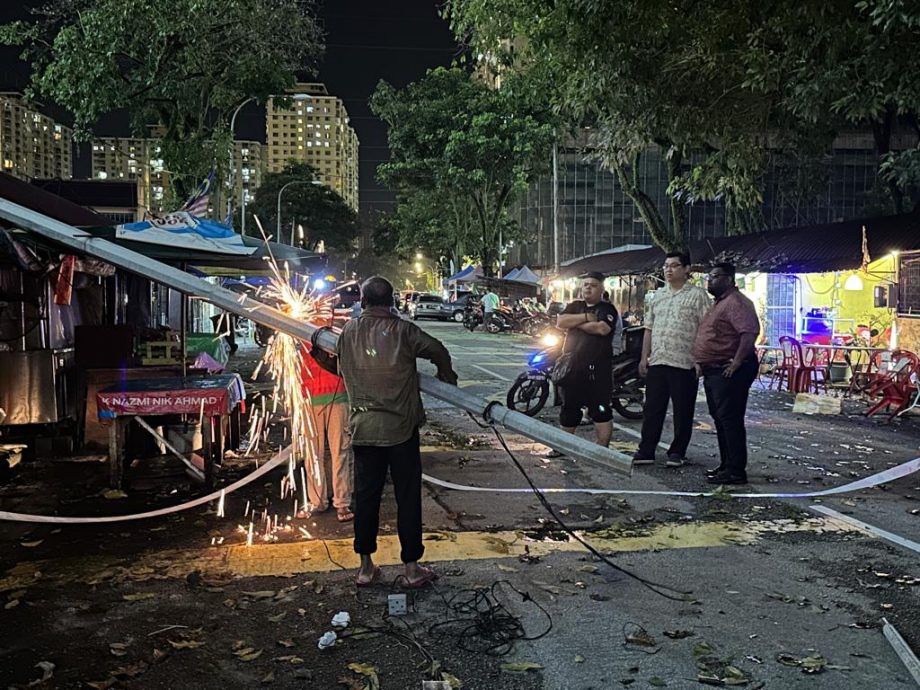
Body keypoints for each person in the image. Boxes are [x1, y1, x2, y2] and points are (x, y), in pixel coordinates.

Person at [312, 276, 458, 588]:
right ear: (391, 302)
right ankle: (411, 569)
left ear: (362, 302)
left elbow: (339, 369)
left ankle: (366, 567)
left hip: (364, 431)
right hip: (401, 431)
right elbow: (438, 350)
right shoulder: (405, 331)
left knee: (366, 498)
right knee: (408, 499)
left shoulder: (348, 332)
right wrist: (447, 376)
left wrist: (316, 350)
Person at [633, 252, 712, 467]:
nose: (669, 270)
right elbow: (648, 328)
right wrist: (644, 357)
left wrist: (700, 359)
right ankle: (646, 450)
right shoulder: (657, 295)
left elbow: (706, 330)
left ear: (687, 269)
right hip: (658, 360)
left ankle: (677, 452)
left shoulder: (698, 296)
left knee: (683, 410)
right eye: (666, 266)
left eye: (675, 266)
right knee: (652, 409)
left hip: (684, 362)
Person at [693, 263, 760, 485]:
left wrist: (737, 362)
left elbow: (748, 334)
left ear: (729, 279)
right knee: (720, 419)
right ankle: (726, 465)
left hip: (729, 369)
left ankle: (736, 470)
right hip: (714, 369)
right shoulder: (721, 303)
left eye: (714, 277)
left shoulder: (737, 302)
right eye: (709, 277)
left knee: (730, 419)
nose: (709, 281)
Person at [555, 271, 619, 448]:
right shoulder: (575, 305)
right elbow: (560, 322)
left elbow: (602, 329)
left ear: (601, 288)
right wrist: (584, 318)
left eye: (593, 285)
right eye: (585, 284)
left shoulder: (607, 309)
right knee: (569, 409)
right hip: (572, 368)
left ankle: (602, 449)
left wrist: (575, 323)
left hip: (598, 370)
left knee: (600, 410)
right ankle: (562, 448)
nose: (588, 288)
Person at [301, 314, 353, 522]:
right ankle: (317, 501)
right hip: (308, 399)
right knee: (314, 454)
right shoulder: (299, 332)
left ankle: (342, 502)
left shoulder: (337, 334)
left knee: (339, 451)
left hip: (338, 398)